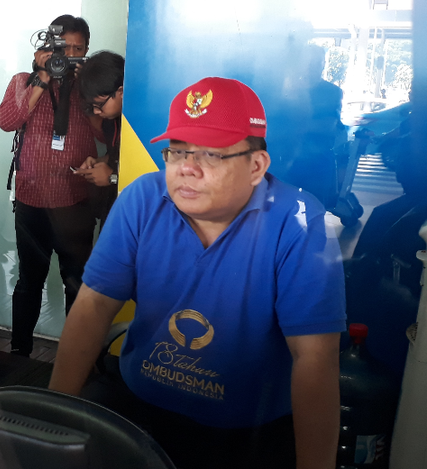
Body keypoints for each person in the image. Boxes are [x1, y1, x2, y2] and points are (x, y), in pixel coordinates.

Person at [49, 77, 346, 469]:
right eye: (177, 152)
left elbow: (315, 358)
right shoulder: (142, 200)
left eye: (210, 155)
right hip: (142, 410)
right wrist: (49, 424)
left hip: (250, 432)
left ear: (256, 165)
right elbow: (94, 305)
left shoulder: (301, 224)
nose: (187, 169)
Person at [0, 15, 99, 357]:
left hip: (76, 202)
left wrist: (89, 92)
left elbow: (105, 134)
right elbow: (8, 121)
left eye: (78, 49)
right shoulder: (23, 80)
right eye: (63, 48)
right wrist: (42, 77)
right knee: (29, 283)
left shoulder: (90, 90)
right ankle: (19, 354)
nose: (69, 56)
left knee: (77, 286)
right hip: (32, 201)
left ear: (87, 51)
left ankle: (75, 359)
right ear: (47, 48)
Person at [74, 51, 124, 226]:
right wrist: (98, 161)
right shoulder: (112, 121)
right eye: (92, 106)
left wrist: (112, 178)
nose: (96, 112)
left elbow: (154, 177)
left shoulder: (143, 125)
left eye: (99, 105)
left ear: (121, 92)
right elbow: (117, 156)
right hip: (113, 208)